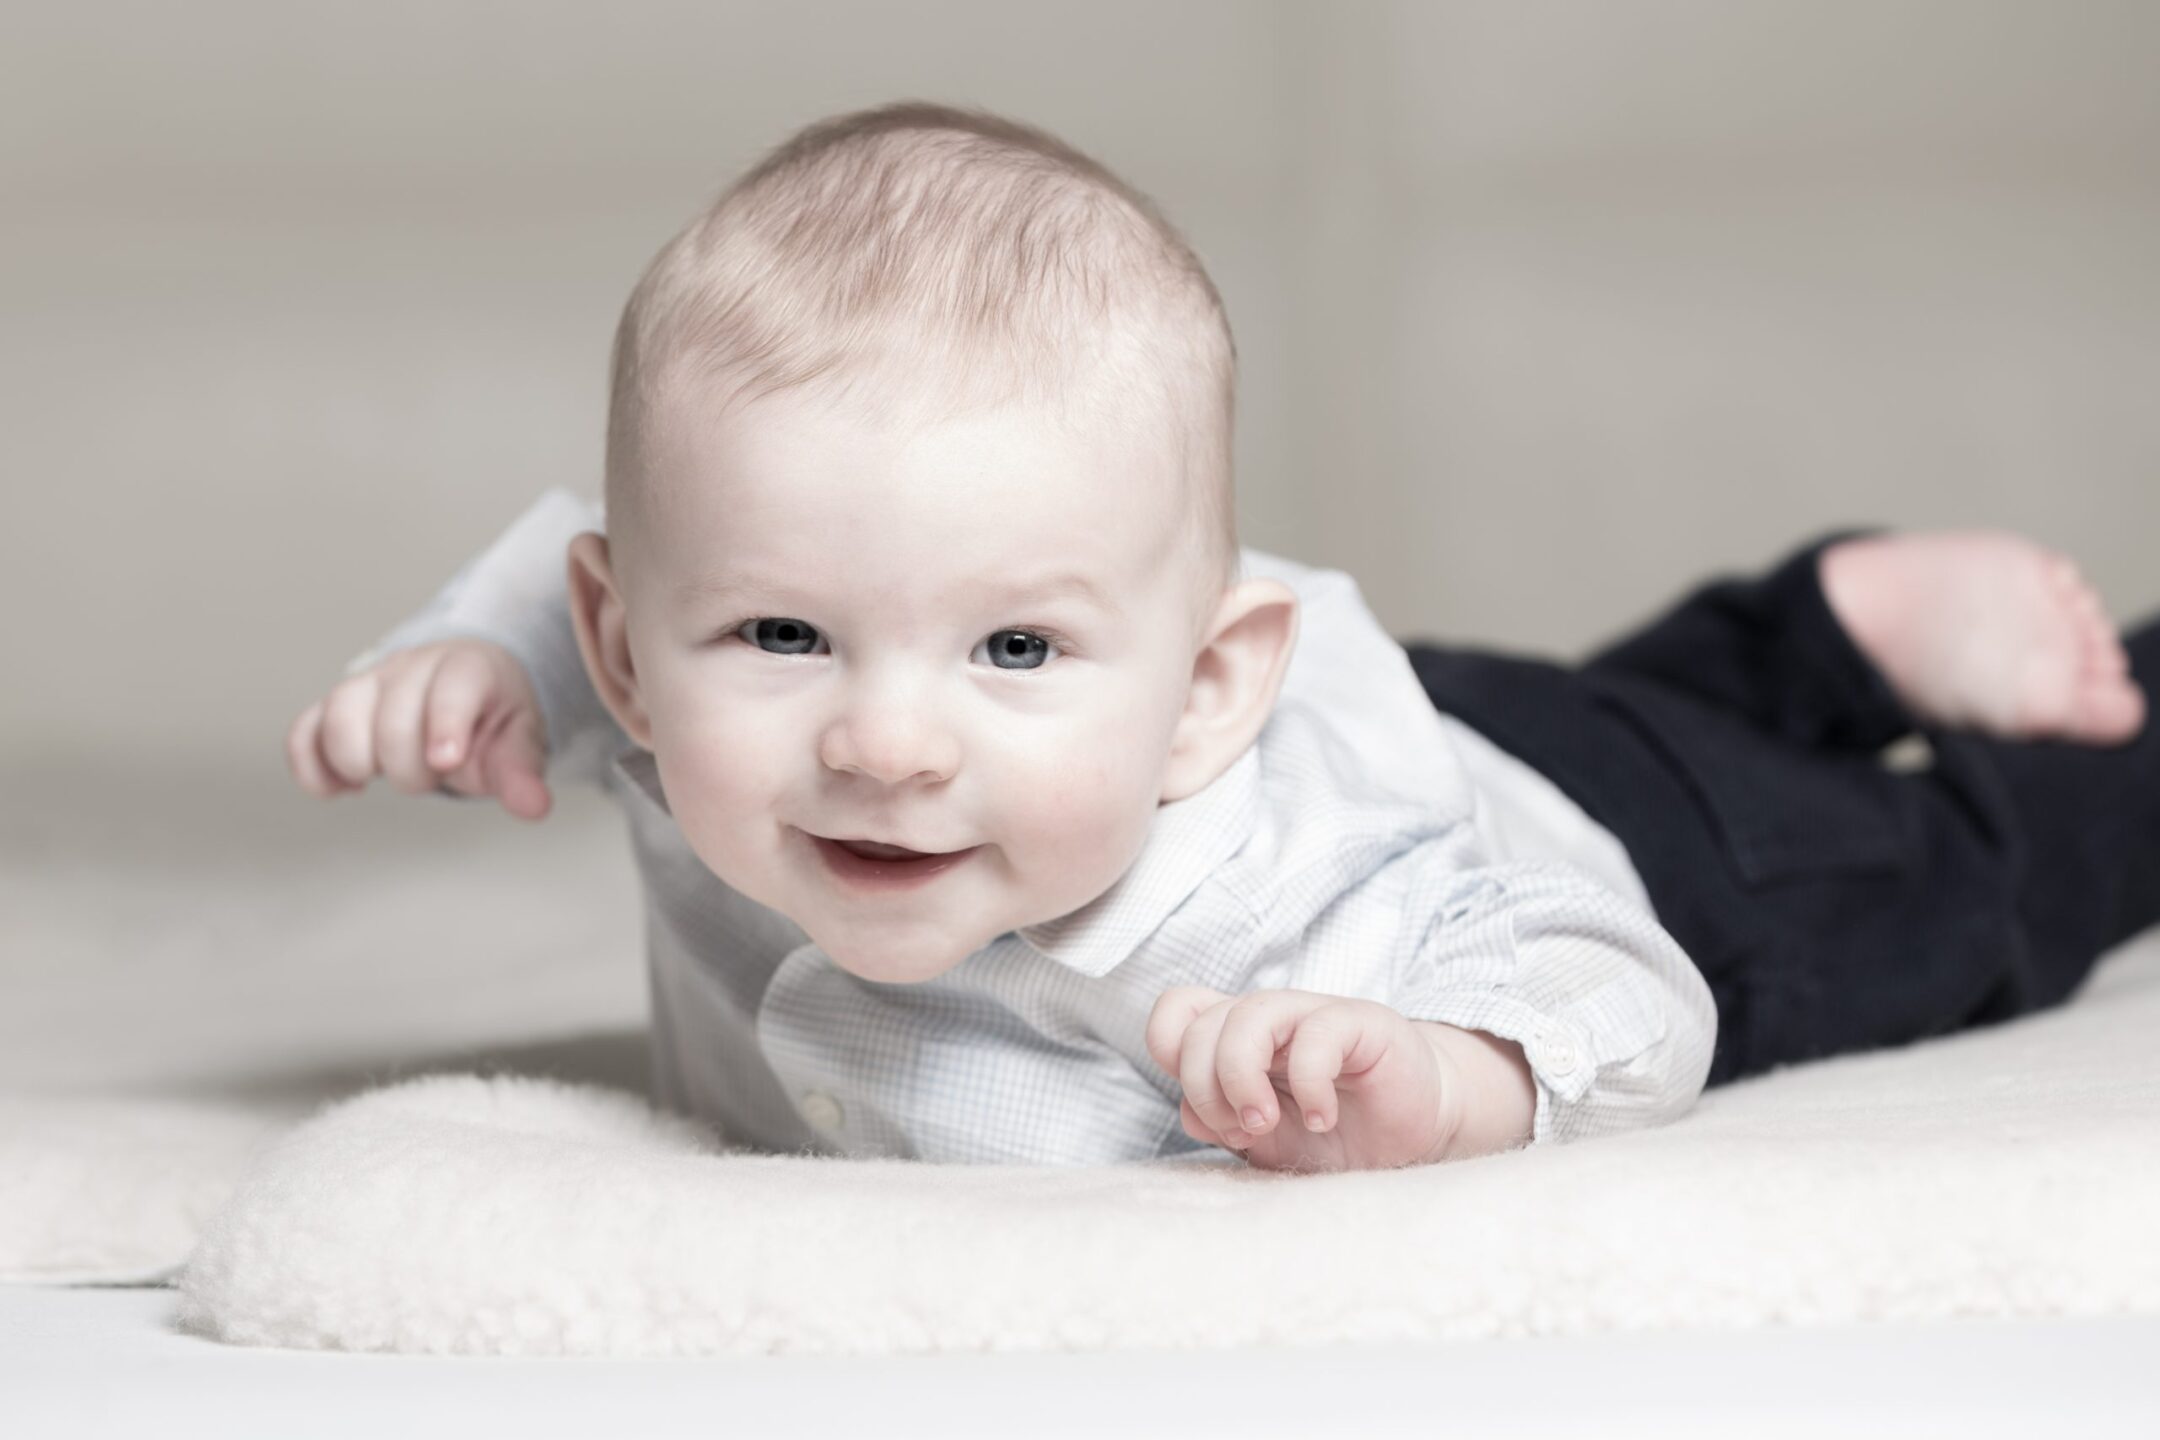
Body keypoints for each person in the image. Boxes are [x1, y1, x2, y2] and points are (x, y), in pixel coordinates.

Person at [284, 102, 2156, 1173]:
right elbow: (573, 559)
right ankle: (1812, 627)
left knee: (1961, 888)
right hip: (1407, 714)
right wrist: (480, 658)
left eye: (1011, 650)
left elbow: (1630, 985)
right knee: (1586, 711)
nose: (884, 743)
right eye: (788, 632)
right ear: (629, 654)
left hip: (1654, 865)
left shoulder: (1290, 918)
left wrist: (1445, 1075)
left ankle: (1948, 693)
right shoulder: (669, 685)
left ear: (1204, 694)